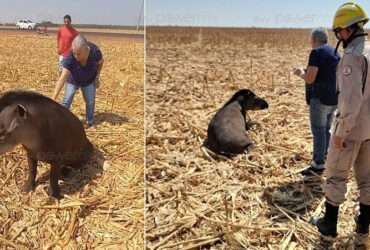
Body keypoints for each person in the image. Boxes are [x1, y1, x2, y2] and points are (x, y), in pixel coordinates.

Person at [312, 2, 370, 245]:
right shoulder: (369, 51)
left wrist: (341, 131)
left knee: (336, 176)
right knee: (367, 179)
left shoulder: (351, 58)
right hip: (369, 129)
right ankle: (363, 226)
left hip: (351, 129)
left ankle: (329, 226)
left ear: (347, 30)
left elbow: (350, 100)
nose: (338, 36)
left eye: (339, 31)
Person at [293, 28, 340, 176]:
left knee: (318, 131)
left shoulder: (316, 52)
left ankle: (318, 165)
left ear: (313, 40)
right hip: (334, 98)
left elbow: (310, 78)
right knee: (326, 129)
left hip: (320, 98)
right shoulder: (335, 52)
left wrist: (300, 72)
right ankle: (325, 157)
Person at [52, 35, 104, 128]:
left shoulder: (95, 52)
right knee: (66, 101)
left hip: (89, 80)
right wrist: (53, 98)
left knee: (90, 101)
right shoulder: (70, 57)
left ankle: (90, 121)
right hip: (73, 80)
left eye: (79, 53)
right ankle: (60, 121)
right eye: (74, 53)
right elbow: (62, 78)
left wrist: (97, 76)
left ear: (86, 49)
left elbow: (101, 62)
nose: (76, 56)